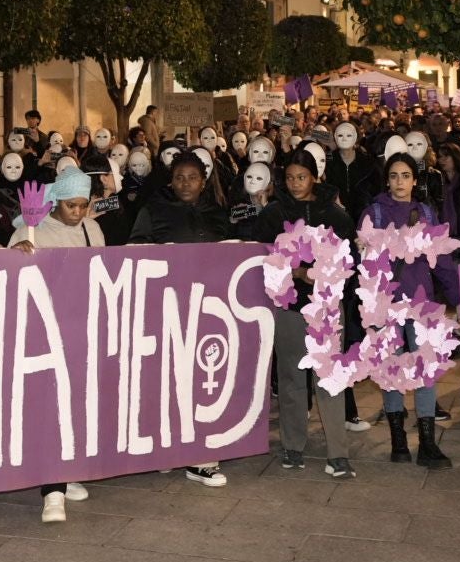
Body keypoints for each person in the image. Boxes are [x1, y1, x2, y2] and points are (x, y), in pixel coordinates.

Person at [128, 152, 233, 487]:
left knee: (203, 380)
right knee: (167, 380)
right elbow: (133, 250)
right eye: (179, 177)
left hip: (210, 311)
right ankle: (166, 450)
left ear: (203, 181)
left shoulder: (217, 212)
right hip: (166, 309)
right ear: (170, 181)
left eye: (192, 177)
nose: (185, 183)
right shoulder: (152, 211)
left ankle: (201, 457)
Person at [254, 151, 356, 479]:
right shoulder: (273, 213)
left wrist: (325, 271)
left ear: (314, 176)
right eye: (290, 178)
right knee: (291, 378)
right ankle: (293, 445)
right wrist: (295, 272)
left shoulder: (335, 214)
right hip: (289, 306)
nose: (296, 184)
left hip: (326, 305)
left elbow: (349, 259)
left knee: (328, 378)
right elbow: (263, 258)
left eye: (302, 177)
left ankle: (338, 452)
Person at [8, 166, 101, 522]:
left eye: (82, 206)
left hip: (82, 329)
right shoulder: (30, 229)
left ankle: (69, 470)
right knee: (51, 407)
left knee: (77, 404)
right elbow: (3, 275)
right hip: (44, 333)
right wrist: (17, 252)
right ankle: (53, 490)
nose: (77, 213)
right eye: (70, 206)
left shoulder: (92, 229)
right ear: (54, 202)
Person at [361, 155, 457, 469]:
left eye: (405, 175)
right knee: (392, 371)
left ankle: (427, 442)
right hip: (386, 305)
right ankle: (399, 441)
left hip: (421, 301)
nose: (399, 181)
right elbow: (363, 264)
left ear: (415, 180)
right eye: (393, 176)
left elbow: (441, 260)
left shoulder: (426, 212)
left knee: (426, 372)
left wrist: (459, 297)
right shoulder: (373, 213)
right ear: (386, 180)